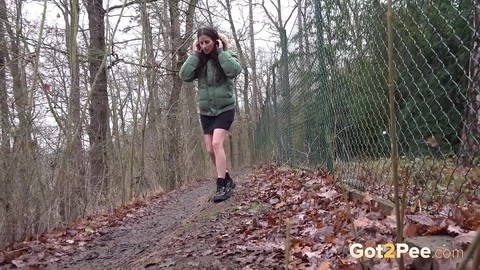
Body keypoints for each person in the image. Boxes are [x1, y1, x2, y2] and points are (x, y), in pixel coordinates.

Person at [179, 27, 242, 202]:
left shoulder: (227, 56)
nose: (205, 46)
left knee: (216, 144)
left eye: (207, 42)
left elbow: (234, 71)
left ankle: (221, 185)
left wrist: (221, 52)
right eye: (201, 43)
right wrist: (194, 55)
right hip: (206, 111)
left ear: (216, 41)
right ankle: (227, 178)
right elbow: (184, 76)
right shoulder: (199, 60)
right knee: (209, 149)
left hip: (225, 108)